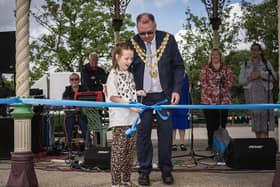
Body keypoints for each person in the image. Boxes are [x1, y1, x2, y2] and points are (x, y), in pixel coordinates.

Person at [128, 13, 185, 186]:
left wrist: (176, 90)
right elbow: (124, 69)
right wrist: (130, 92)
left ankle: (166, 170)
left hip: (164, 95)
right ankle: (144, 171)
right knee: (143, 134)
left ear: (155, 26)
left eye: (149, 33)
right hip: (141, 98)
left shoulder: (169, 40)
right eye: (142, 33)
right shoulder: (131, 43)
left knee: (166, 134)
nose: (145, 37)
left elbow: (179, 66)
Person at [106, 43, 146, 187]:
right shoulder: (112, 75)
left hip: (133, 119)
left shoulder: (129, 75)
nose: (129, 62)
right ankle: (115, 183)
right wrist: (131, 105)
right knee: (119, 153)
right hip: (120, 120)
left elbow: (127, 93)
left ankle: (126, 180)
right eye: (126, 58)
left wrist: (137, 93)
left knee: (129, 154)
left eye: (131, 59)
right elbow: (114, 97)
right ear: (117, 57)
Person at [239, 42, 276, 138]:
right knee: (256, 125)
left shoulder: (266, 63)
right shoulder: (246, 64)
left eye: (256, 50)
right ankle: (259, 147)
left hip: (265, 95)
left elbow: (274, 77)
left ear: (260, 52)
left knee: (264, 123)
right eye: (252, 49)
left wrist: (261, 74)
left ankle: (265, 147)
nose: (254, 52)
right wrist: (250, 78)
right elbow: (241, 81)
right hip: (252, 96)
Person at [199, 48, 233, 151]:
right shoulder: (205, 68)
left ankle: (222, 144)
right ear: (210, 57)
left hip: (223, 101)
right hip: (208, 101)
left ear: (220, 56)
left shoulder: (226, 68)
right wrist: (213, 92)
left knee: (222, 123)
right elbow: (203, 83)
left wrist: (221, 91)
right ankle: (211, 145)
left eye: (217, 55)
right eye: (213, 55)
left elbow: (230, 81)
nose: (215, 56)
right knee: (210, 124)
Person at [62, 73, 88, 149]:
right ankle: (69, 145)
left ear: (79, 80)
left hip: (82, 113)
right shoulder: (67, 91)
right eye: (72, 79)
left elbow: (88, 100)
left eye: (76, 79)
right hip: (71, 113)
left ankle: (87, 144)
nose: (74, 81)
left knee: (84, 123)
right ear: (69, 81)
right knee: (68, 120)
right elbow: (65, 103)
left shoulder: (84, 89)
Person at [171, 74, 191, 151]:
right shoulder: (170, 75)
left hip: (183, 100)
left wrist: (189, 104)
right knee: (173, 123)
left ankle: (182, 143)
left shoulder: (186, 76)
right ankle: (173, 143)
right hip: (173, 100)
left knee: (182, 123)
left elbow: (188, 91)